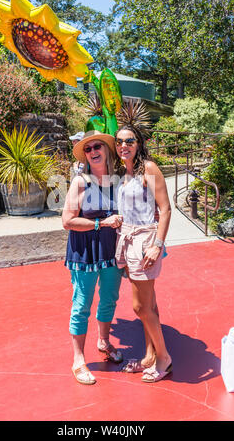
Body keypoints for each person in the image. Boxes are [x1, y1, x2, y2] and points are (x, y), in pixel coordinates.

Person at [62, 130, 124, 385]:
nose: (93, 151)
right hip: (84, 252)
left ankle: (104, 341)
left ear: (108, 150)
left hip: (110, 251)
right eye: (88, 149)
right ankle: (78, 359)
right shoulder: (81, 182)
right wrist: (101, 222)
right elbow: (67, 221)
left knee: (109, 299)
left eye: (98, 146)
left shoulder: (118, 181)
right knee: (82, 304)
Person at [114, 124, 172, 382]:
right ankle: (150, 356)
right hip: (128, 240)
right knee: (150, 304)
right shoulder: (123, 173)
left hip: (145, 242)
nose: (123, 145)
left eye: (129, 141)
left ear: (138, 143)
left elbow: (166, 208)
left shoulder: (148, 168)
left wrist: (157, 244)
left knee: (139, 307)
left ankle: (164, 358)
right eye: (119, 142)